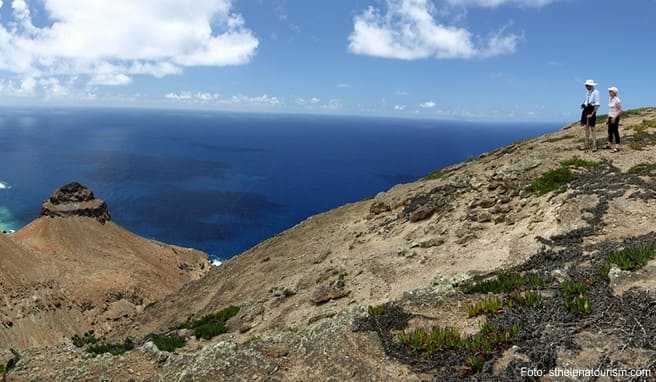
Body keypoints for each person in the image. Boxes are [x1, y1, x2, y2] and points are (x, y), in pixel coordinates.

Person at [580, 80, 600, 151]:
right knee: (586, 127)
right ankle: (586, 144)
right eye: (586, 85)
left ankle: (594, 145)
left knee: (592, 128)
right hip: (586, 109)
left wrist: (592, 113)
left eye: (587, 85)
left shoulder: (596, 92)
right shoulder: (587, 92)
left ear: (591, 85)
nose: (586, 87)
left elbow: (597, 104)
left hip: (592, 109)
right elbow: (586, 101)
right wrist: (583, 104)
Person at [607, 86, 623, 152]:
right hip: (610, 116)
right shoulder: (610, 99)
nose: (609, 92)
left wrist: (614, 117)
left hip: (615, 117)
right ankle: (609, 144)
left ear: (614, 92)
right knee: (609, 131)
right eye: (609, 91)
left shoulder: (617, 100)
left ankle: (617, 146)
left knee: (615, 131)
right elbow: (610, 110)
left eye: (611, 91)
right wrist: (608, 118)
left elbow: (620, 110)